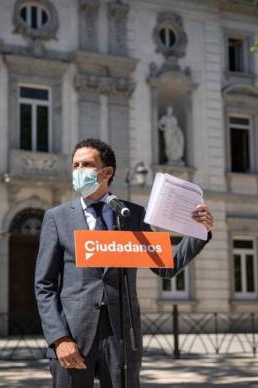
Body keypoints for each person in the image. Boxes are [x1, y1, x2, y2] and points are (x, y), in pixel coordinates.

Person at [34, 138, 213, 388]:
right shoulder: (57, 218)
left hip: (122, 337)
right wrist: (59, 338)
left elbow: (166, 265)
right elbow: (44, 285)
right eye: (75, 165)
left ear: (107, 172)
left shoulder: (131, 215)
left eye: (86, 165)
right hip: (73, 335)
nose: (78, 171)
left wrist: (198, 231)